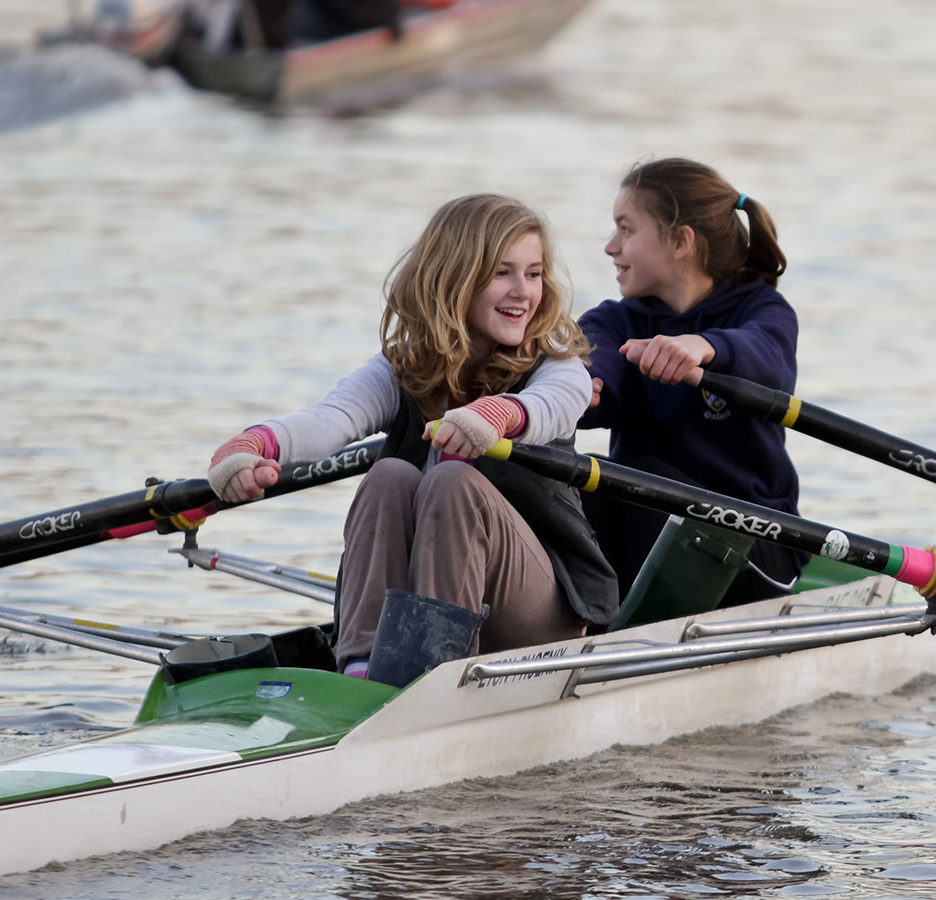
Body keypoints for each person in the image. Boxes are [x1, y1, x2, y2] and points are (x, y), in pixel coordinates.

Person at [207, 194, 617, 677]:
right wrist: (252, 445)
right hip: (435, 601)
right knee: (389, 475)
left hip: (540, 615)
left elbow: (551, 407)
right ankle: (361, 664)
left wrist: (495, 414)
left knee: (453, 482)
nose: (523, 292)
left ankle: (429, 672)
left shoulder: (557, 363)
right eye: (502, 272)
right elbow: (333, 417)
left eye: (533, 274)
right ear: (453, 277)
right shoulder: (405, 365)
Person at [578, 157, 805, 606]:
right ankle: (587, 624)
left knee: (643, 480)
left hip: (755, 544)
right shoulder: (613, 321)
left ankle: (620, 626)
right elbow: (592, 357)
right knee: (584, 478)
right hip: (652, 533)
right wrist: (582, 386)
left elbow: (768, 357)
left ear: (681, 241)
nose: (610, 246)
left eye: (626, 229)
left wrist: (707, 348)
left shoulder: (762, 311)